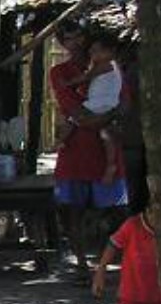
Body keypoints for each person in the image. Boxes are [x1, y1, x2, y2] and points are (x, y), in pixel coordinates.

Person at [50, 20, 129, 280]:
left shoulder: (109, 67)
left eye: (79, 36)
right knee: (72, 210)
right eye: (68, 38)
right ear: (62, 43)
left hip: (107, 152)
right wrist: (105, 117)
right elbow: (80, 114)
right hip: (75, 154)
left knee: (117, 212)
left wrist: (101, 118)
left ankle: (118, 265)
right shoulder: (60, 72)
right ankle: (83, 267)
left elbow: (125, 105)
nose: (76, 43)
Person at [61, 30, 123, 185]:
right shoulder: (114, 67)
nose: (92, 53)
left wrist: (68, 83)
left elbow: (86, 77)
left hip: (99, 102)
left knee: (72, 118)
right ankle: (111, 164)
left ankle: (61, 141)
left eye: (96, 51)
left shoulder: (105, 65)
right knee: (105, 134)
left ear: (110, 52)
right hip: (109, 102)